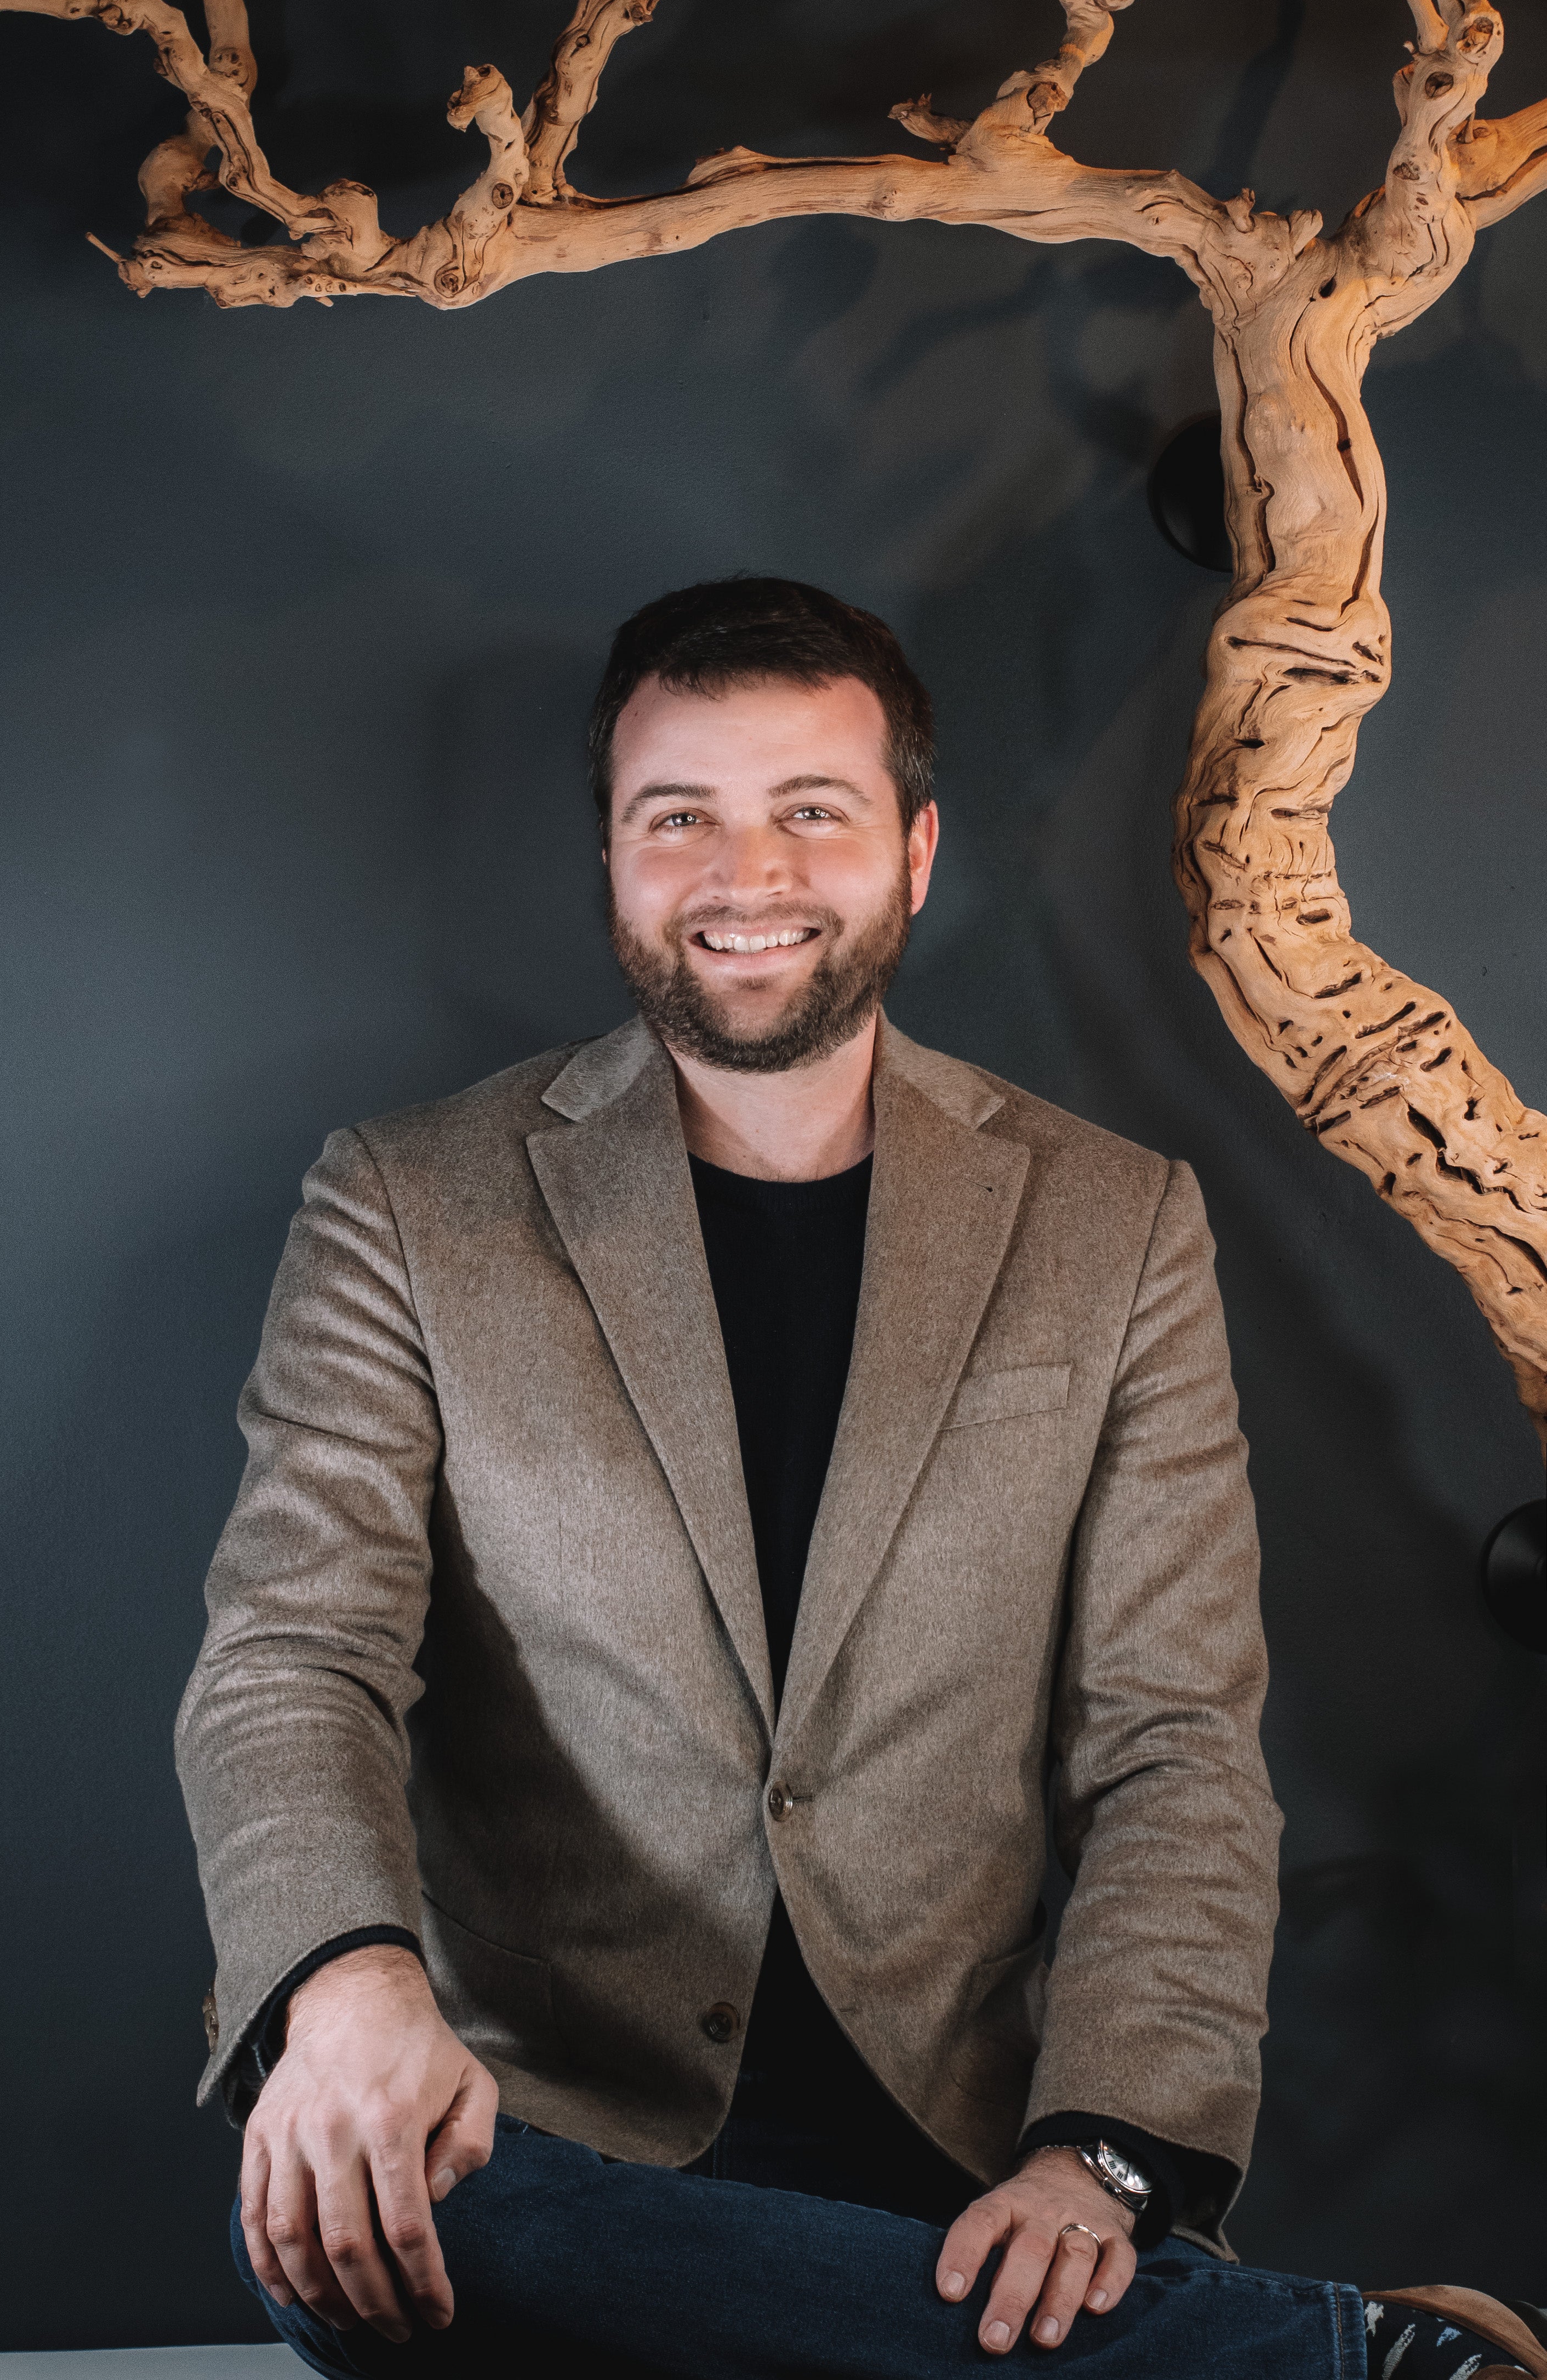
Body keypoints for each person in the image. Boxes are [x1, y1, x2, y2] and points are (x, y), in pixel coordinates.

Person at [177, 578, 1538, 2380]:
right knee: (370, 2222)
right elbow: (295, 1653)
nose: (748, 875)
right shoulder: (405, 1204)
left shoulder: (1114, 1226)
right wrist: (347, 1987)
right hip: (545, 2146)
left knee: (860, 2292)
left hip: (962, 2166)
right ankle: (1334, 2365)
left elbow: (1172, 1742)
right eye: (681, 818)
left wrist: (1102, 2153)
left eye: (811, 810)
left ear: (915, 849)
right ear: (611, 855)